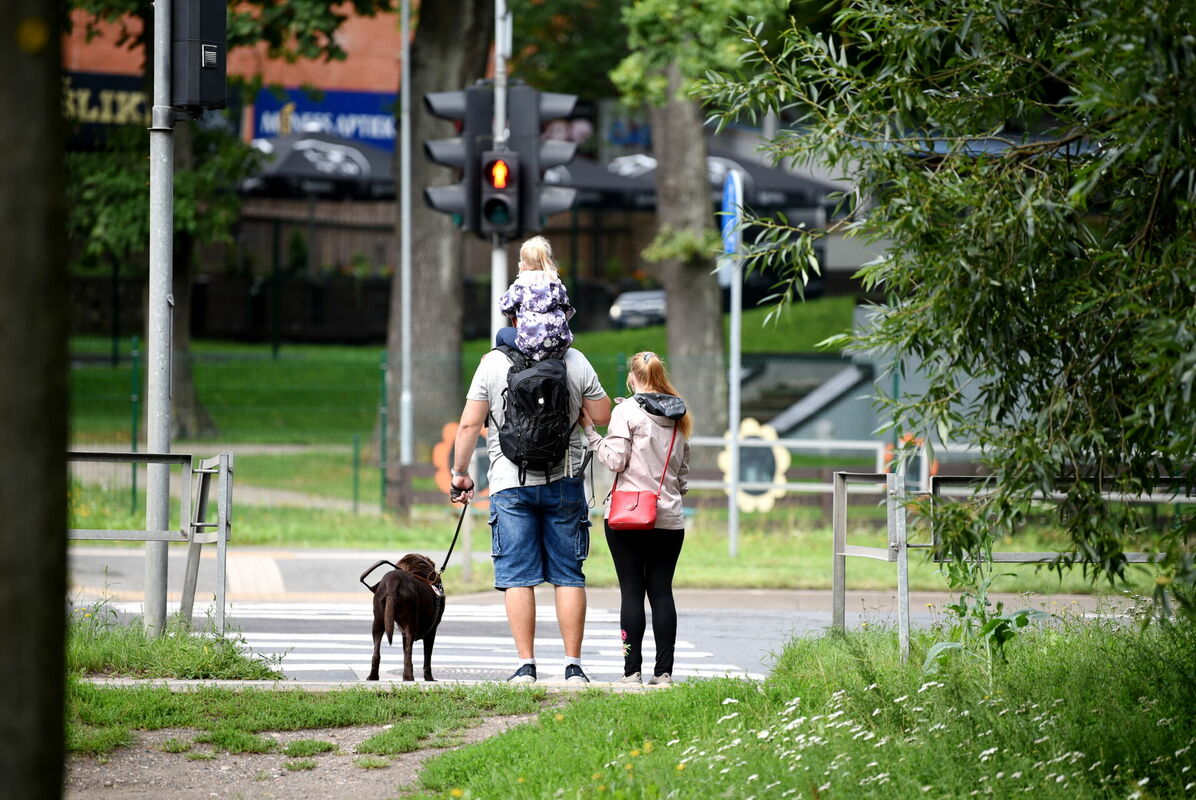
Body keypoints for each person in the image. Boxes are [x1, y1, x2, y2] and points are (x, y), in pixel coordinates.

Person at [449, 330, 610, 684]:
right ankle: (573, 667)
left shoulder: (492, 363)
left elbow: (468, 424)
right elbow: (601, 413)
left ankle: (526, 666)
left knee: (518, 577)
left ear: (514, 318)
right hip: (565, 479)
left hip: (510, 483)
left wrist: (460, 473)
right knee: (568, 575)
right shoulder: (573, 359)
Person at [581, 352, 691, 686]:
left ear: (633, 376)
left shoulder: (625, 411)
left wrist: (591, 433)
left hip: (628, 517)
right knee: (661, 592)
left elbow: (615, 461)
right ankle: (665, 672)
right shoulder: (679, 412)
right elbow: (683, 475)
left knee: (631, 592)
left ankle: (632, 672)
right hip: (669, 517)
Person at [496, 235, 575, 361]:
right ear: (547, 259)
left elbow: (504, 308)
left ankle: (499, 364)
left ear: (522, 263)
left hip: (530, 345)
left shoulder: (521, 285)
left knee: (501, 334)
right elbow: (568, 311)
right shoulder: (556, 284)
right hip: (559, 345)